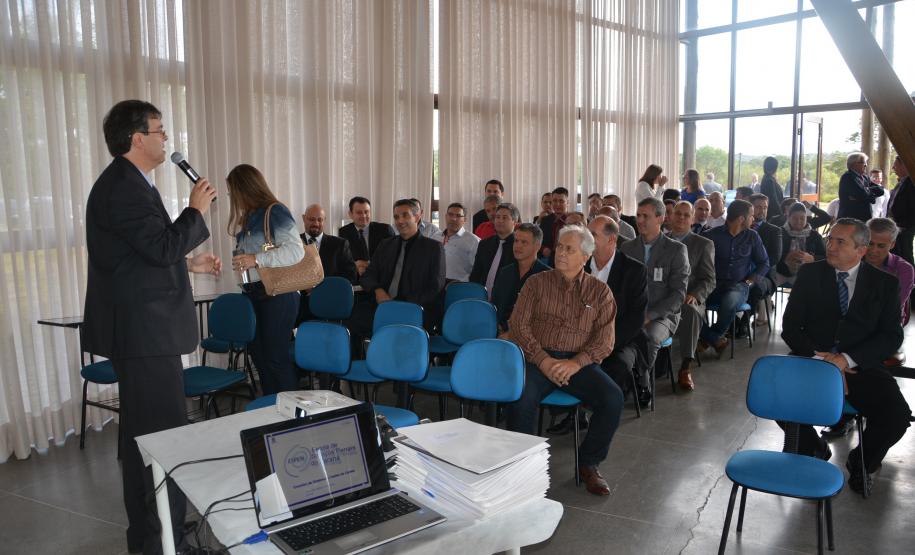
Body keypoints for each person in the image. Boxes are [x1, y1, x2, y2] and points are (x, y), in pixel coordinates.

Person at [83, 100, 220, 554]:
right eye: (160, 131)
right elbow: (159, 248)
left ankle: (156, 537)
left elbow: (139, 256)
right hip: (144, 335)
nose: (166, 139)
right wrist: (195, 211)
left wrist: (189, 264)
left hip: (143, 332)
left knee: (146, 440)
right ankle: (162, 542)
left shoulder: (128, 183)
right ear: (137, 138)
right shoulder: (124, 187)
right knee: (161, 441)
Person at [781, 218, 910, 496]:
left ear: (861, 250)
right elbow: (790, 327)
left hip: (859, 366)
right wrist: (822, 358)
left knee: (897, 417)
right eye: (830, 239)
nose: (831, 246)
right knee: (780, 398)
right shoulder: (810, 274)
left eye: (841, 242)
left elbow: (891, 336)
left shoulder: (885, 284)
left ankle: (862, 460)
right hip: (814, 361)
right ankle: (814, 449)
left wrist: (847, 359)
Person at [507, 225, 624, 496]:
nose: (560, 253)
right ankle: (522, 465)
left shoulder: (600, 292)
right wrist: (543, 360)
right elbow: (518, 326)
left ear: (585, 257)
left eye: (569, 249)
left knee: (612, 398)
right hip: (537, 359)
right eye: (560, 246)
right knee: (521, 396)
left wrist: (575, 363)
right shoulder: (536, 283)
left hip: (577, 363)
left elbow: (604, 341)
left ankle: (589, 464)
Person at [228, 165, 305, 395]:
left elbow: (296, 251)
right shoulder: (248, 218)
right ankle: (272, 408)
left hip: (278, 294)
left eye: (233, 191)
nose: (231, 196)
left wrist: (255, 259)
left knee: (275, 357)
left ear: (245, 188)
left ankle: (290, 411)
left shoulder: (275, 211)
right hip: (254, 294)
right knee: (260, 357)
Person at [620, 197, 689, 391]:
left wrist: (650, 315)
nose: (640, 220)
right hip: (632, 312)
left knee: (648, 337)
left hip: (662, 316)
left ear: (660, 218)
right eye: (638, 215)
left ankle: (642, 383)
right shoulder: (627, 247)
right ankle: (620, 377)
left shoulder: (676, 249)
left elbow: (678, 294)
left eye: (646, 216)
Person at [357, 199, 446, 333]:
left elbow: (435, 286)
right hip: (383, 303)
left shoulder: (433, 248)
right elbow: (368, 275)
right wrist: (378, 290)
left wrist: (401, 304)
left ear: (417, 217)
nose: (400, 221)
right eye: (396, 217)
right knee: (354, 319)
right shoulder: (385, 244)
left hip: (414, 307)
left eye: (405, 215)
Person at [586, 216, 649, 400]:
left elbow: (635, 320)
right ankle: (576, 409)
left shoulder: (634, 270)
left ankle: (604, 409)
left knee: (617, 366)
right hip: (582, 337)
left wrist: (603, 344)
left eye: (593, 235)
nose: (586, 239)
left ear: (612, 239)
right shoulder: (581, 265)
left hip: (621, 340)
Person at [698, 200, 769, 356]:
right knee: (690, 306)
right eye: (751, 216)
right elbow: (697, 263)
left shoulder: (752, 236)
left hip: (739, 285)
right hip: (712, 285)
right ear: (741, 219)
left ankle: (708, 338)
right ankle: (715, 339)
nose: (753, 219)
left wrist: (750, 281)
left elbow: (764, 263)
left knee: (730, 301)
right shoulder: (710, 235)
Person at [667, 201, 716, 390]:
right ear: (670, 216)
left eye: (686, 215)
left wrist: (695, 294)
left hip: (689, 298)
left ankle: (686, 366)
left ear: (692, 218)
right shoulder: (660, 240)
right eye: (678, 213)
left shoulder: (703, 244)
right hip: (663, 297)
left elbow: (709, 279)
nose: (681, 217)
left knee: (691, 311)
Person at [297, 203, 357, 324]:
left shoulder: (340, 244)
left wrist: (321, 288)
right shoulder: (293, 244)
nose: (316, 223)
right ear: (304, 218)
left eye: (320, 220)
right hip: (298, 307)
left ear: (324, 220)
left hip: (329, 306)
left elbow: (351, 276)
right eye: (311, 219)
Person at [491, 223, 550, 332]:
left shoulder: (547, 276)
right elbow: (495, 305)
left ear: (537, 246)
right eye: (516, 241)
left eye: (524, 242)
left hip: (529, 334)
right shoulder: (505, 272)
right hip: (499, 331)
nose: (518, 246)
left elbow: (544, 318)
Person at [743, 194, 782, 331]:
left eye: (765, 207)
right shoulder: (741, 228)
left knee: (754, 287)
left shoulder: (774, 230)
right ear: (750, 208)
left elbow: (774, 258)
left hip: (764, 276)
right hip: (740, 273)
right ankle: (730, 322)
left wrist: (756, 272)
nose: (762, 210)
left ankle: (743, 323)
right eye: (758, 207)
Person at [866, 218, 914, 328]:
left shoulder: (904, 269)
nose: (873, 250)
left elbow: (893, 307)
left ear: (892, 244)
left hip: (887, 322)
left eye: (881, 246)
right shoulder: (854, 260)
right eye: (870, 243)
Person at [469, 203, 520, 299]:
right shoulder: (484, 244)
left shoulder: (519, 246)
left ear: (514, 222)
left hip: (507, 298)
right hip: (481, 297)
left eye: (505, 218)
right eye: (498, 217)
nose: (500, 221)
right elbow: (476, 273)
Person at [338, 196, 396, 277]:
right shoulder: (343, 232)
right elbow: (343, 260)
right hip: (356, 278)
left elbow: (393, 257)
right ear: (350, 214)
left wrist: (369, 265)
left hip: (381, 276)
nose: (364, 216)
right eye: (359, 213)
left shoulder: (385, 230)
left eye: (366, 212)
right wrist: (355, 265)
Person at [436, 202, 480, 282]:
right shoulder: (436, 237)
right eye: (450, 214)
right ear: (446, 217)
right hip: (435, 284)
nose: (453, 219)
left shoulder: (474, 241)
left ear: (465, 220)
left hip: (459, 286)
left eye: (458, 216)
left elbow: (478, 270)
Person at [838, 152, 883, 222]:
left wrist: (866, 190)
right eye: (863, 162)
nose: (866, 165)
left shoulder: (865, 177)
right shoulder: (847, 177)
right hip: (851, 218)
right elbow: (862, 194)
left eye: (866, 162)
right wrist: (868, 194)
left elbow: (881, 190)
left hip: (865, 218)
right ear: (853, 164)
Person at [888, 155, 915, 268]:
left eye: (895, 165)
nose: (893, 168)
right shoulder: (901, 182)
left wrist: (905, 225)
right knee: (897, 254)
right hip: (896, 226)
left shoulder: (911, 183)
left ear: (904, 165)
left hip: (904, 227)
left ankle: (911, 276)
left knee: (906, 255)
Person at [538, 186, 569, 257]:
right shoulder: (545, 220)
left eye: (561, 201)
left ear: (567, 202)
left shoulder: (572, 221)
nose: (557, 204)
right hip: (548, 258)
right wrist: (543, 249)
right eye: (555, 201)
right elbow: (538, 240)